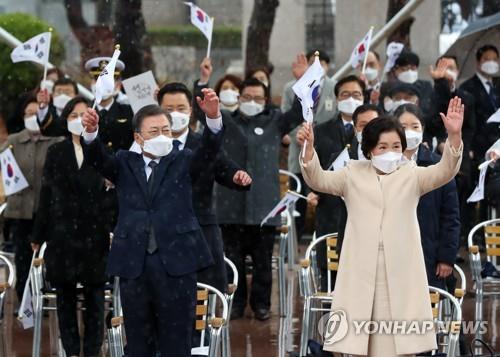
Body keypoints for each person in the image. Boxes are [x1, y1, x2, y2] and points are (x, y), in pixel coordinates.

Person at [297, 96, 464, 356]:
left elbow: (446, 170)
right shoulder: (352, 172)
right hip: (360, 270)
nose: (390, 152)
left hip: (402, 270)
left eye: (396, 146)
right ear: (369, 149)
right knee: (359, 342)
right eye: (382, 146)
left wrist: (454, 136)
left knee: (401, 343)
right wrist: (308, 151)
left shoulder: (412, 173)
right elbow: (318, 179)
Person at [81, 90, 224, 357]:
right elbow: (97, 158)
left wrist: (213, 117)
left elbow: (209, 150)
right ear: (138, 137)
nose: (162, 136)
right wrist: (91, 133)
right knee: (137, 340)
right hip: (135, 263)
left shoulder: (184, 160)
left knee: (177, 340)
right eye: (154, 131)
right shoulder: (124, 162)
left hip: (177, 262)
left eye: (166, 130)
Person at [204, 78, 303, 320]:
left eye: (258, 98)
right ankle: (235, 304)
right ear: (239, 98)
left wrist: (302, 82)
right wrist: (204, 82)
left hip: (264, 206)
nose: (252, 102)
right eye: (247, 97)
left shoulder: (275, 121)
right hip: (231, 205)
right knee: (233, 260)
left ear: (266, 100)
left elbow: (300, 112)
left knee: (262, 262)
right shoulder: (226, 120)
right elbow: (204, 113)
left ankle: (261, 304)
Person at [31, 96, 109, 357]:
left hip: (94, 233)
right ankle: (72, 350)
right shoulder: (56, 151)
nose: (78, 120)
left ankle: (92, 350)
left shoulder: (101, 150)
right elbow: (46, 193)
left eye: (82, 115)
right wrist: (38, 233)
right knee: (64, 296)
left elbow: (112, 194)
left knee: (95, 298)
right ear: (65, 121)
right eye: (73, 116)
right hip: (62, 234)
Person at [156, 82, 252, 292]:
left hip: (199, 233)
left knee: (204, 302)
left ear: (191, 110)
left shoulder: (203, 143)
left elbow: (223, 166)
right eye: (168, 109)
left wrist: (237, 175)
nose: (175, 114)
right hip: (160, 235)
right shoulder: (146, 146)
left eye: (181, 108)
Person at [306, 104, 381, 291]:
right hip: (347, 238)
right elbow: (319, 180)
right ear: (355, 128)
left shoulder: (394, 161)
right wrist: (308, 151)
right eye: (363, 125)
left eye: (374, 124)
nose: (369, 130)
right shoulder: (342, 159)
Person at [2, 95, 63, 301]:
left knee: (48, 257)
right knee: (23, 256)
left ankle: (44, 296)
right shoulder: (13, 141)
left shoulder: (55, 140)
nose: (32, 117)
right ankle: (24, 297)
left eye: (36, 113)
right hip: (21, 210)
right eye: (28, 113)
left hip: (48, 210)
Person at [395, 103, 460, 289]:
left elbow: (450, 216)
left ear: (423, 129)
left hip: (428, 253)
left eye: (414, 127)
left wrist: (446, 258)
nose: (409, 132)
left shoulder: (437, 165)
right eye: (402, 127)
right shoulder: (384, 164)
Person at [281, 50, 336, 239]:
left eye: (322, 63)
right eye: (313, 62)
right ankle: (293, 243)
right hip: (299, 150)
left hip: (324, 153)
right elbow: (285, 116)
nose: (317, 67)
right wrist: (297, 135)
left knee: (321, 197)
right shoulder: (291, 87)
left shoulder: (334, 87)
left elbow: (336, 117)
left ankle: (321, 240)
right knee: (298, 199)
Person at [430, 55, 475, 242]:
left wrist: (465, 146)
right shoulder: (433, 94)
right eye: (444, 67)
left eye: (451, 67)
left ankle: (458, 241)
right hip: (436, 151)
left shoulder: (467, 97)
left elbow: (471, 127)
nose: (448, 71)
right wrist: (440, 83)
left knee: (461, 198)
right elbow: (432, 121)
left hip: (461, 152)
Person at [460, 44, 500, 161]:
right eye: (486, 59)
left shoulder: (498, 84)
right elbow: (465, 121)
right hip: (478, 147)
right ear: (478, 62)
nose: (491, 63)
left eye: (494, 59)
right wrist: (468, 148)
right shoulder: (467, 88)